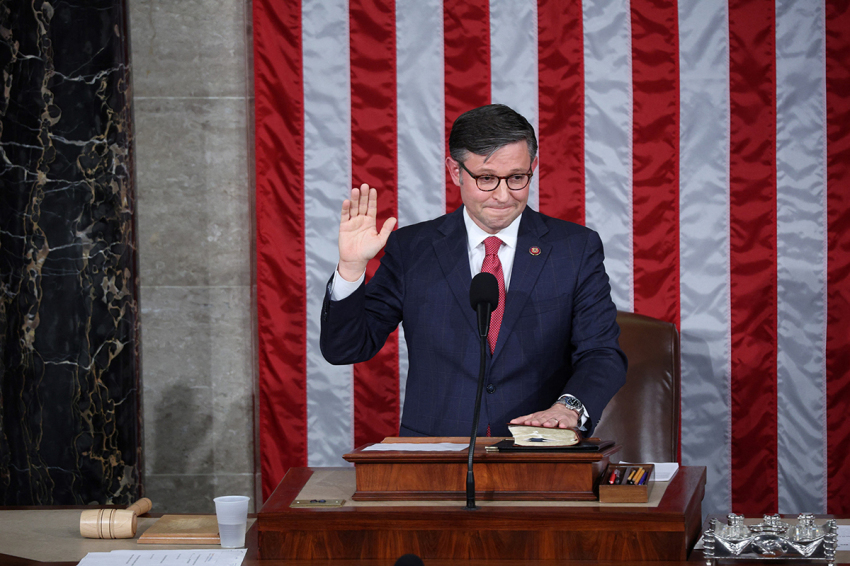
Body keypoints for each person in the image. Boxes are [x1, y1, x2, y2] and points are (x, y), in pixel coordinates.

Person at [320, 104, 626, 438]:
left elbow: (601, 353)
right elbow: (347, 349)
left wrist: (567, 408)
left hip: (538, 450)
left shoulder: (574, 248)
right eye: (487, 179)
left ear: (533, 167)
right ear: (455, 172)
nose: (503, 195)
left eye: (517, 178)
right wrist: (351, 269)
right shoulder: (412, 249)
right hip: (437, 454)